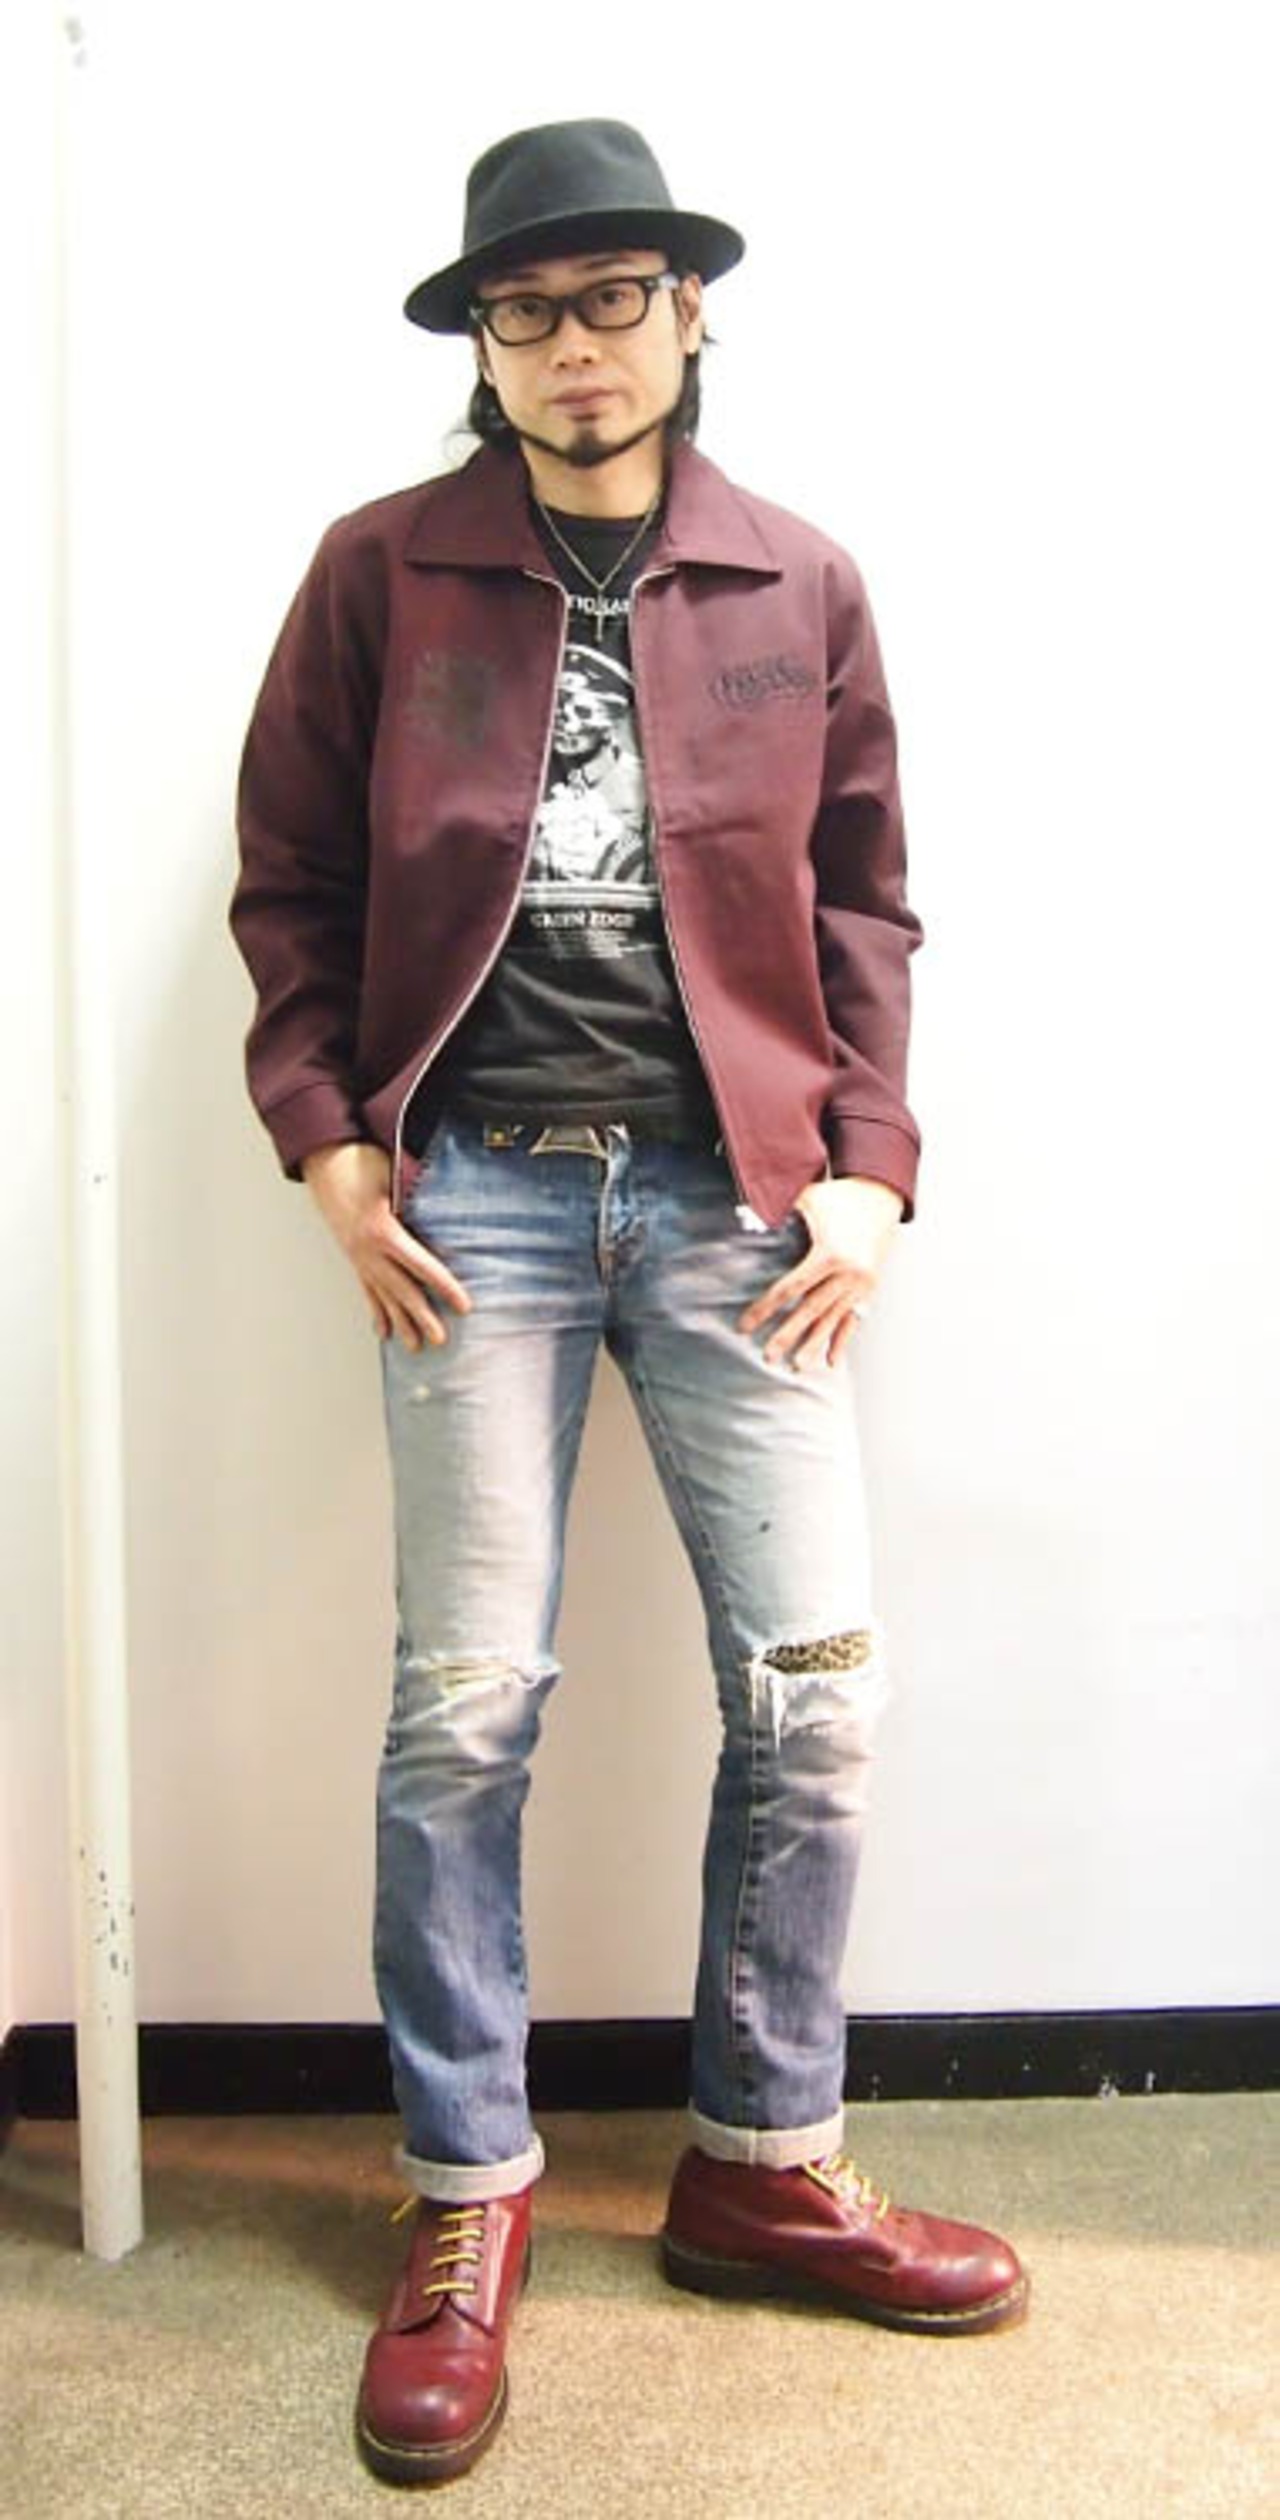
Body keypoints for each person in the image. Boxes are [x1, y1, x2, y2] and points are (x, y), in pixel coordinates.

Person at [230, 117, 1028, 2490]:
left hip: (734, 1207)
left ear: (689, 315)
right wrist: (327, 1136)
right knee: (464, 1705)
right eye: (527, 310)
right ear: (482, 347)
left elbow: (866, 902)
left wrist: (869, 1166)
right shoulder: (382, 575)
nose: (574, 347)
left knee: (817, 1699)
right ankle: (467, 2194)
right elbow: (287, 888)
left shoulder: (798, 578)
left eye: (612, 301)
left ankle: (760, 2162)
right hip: (466, 1202)